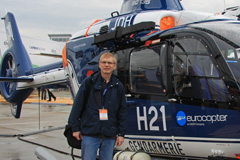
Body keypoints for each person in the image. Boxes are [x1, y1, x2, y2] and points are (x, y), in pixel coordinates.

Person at [68, 52, 128, 160]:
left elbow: (122, 111)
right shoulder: (89, 82)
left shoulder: (118, 86)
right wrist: (75, 128)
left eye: (110, 63)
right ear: (99, 65)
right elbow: (77, 105)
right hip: (90, 133)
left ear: (114, 66)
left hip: (109, 135)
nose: (106, 65)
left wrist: (121, 134)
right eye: (104, 62)